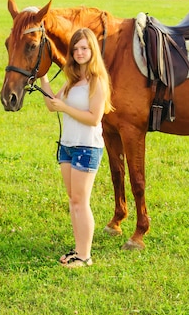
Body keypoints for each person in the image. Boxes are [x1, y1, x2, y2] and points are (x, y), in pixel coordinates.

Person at [39, 27, 113, 268]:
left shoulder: (97, 80)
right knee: (73, 200)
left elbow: (94, 118)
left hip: (86, 148)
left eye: (84, 48)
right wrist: (43, 76)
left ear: (92, 50)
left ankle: (85, 256)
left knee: (81, 201)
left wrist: (65, 108)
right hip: (67, 146)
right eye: (76, 49)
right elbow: (52, 105)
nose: (80, 53)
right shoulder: (73, 80)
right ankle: (79, 249)